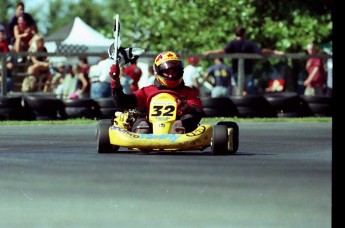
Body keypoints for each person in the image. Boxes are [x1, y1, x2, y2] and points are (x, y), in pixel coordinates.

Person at [109, 51, 204, 134]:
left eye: (174, 71)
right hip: (150, 128)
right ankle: (142, 132)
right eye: (167, 71)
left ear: (180, 72)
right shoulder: (147, 91)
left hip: (179, 128)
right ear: (159, 71)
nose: (171, 75)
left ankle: (176, 132)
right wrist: (115, 81)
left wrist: (186, 107)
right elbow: (122, 102)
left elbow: (198, 112)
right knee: (142, 122)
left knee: (184, 121)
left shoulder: (188, 92)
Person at [203, 26, 284, 95]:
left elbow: (222, 51)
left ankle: (241, 105)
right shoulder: (248, 43)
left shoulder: (233, 43)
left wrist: (210, 51)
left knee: (239, 90)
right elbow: (261, 51)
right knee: (249, 89)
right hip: (247, 71)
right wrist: (275, 52)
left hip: (238, 71)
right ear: (244, 34)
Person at [0, 28, 14, 93]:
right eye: (0, 34)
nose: (1, 36)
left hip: (4, 64)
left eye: (2, 34)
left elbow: (8, 55)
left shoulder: (5, 44)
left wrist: (8, 62)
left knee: (8, 80)